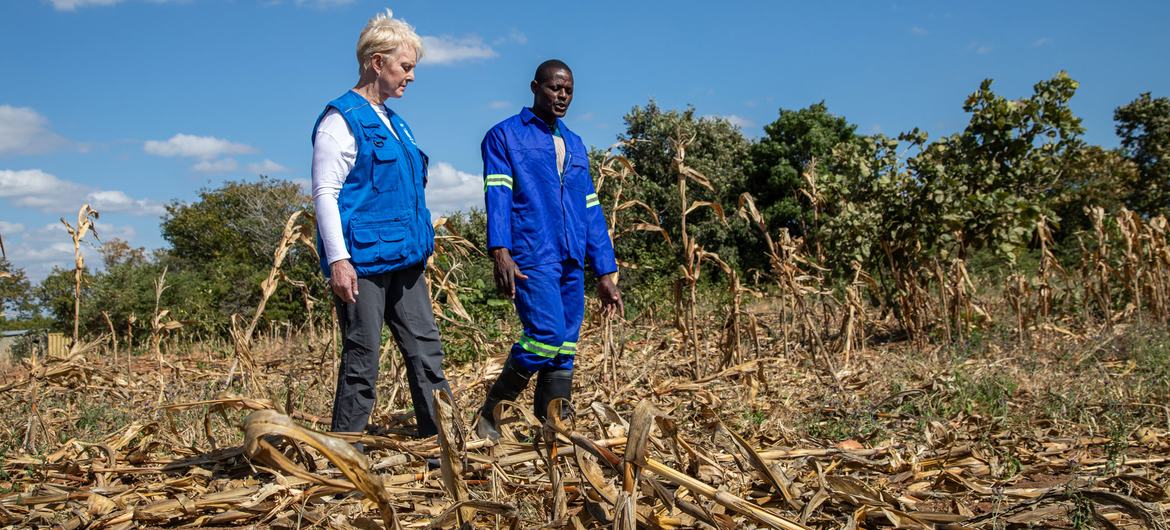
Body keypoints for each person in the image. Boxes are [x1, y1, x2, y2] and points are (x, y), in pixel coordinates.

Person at [311, 9, 451, 440]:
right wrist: (338, 260)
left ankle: (442, 441)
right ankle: (345, 454)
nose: (410, 76)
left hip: (406, 258)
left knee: (426, 350)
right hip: (363, 264)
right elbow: (325, 194)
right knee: (362, 357)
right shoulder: (340, 120)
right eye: (405, 66)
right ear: (377, 62)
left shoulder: (397, 123)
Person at [476, 59, 624, 440]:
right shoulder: (504, 135)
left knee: (565, 346)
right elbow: (498, 194)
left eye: (568, 90)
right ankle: (490, 413)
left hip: (572, 256)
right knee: (545, 333)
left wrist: (605, 272)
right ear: (534, 87)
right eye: (554, 88)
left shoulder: (574, 144)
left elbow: (591, 210)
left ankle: (552, 428)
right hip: (531, 252)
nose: (562, 96)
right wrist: (500, 250)